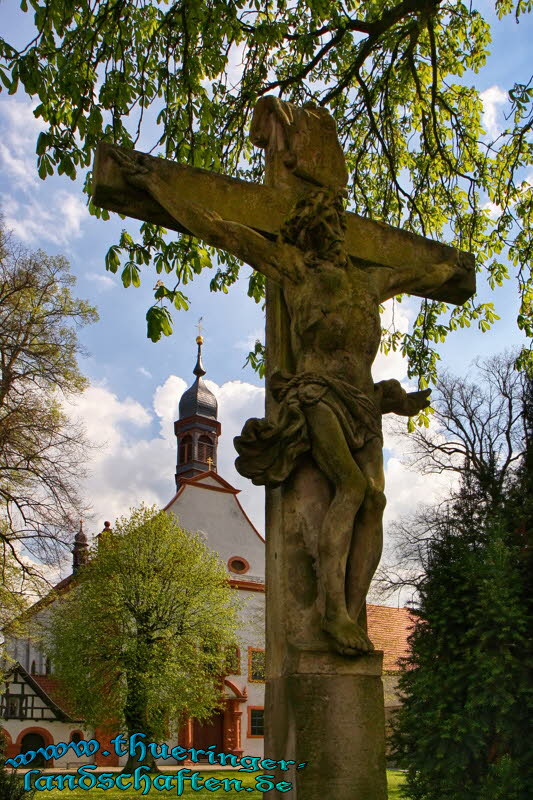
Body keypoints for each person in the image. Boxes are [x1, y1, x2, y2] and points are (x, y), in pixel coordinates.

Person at [113, 133, 456, 655]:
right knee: (353, 489)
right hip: (316, 395)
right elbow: (219, 228)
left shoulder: (371, 283)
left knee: (377, 500)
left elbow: (428, 270)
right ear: (307, 238)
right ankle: (331, 610)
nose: (331, 243)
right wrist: (153, 184)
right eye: (321, 234)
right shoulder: (296, 274)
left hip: (364, 402)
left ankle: (352, 608)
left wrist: (450, 270)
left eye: (334, 234)